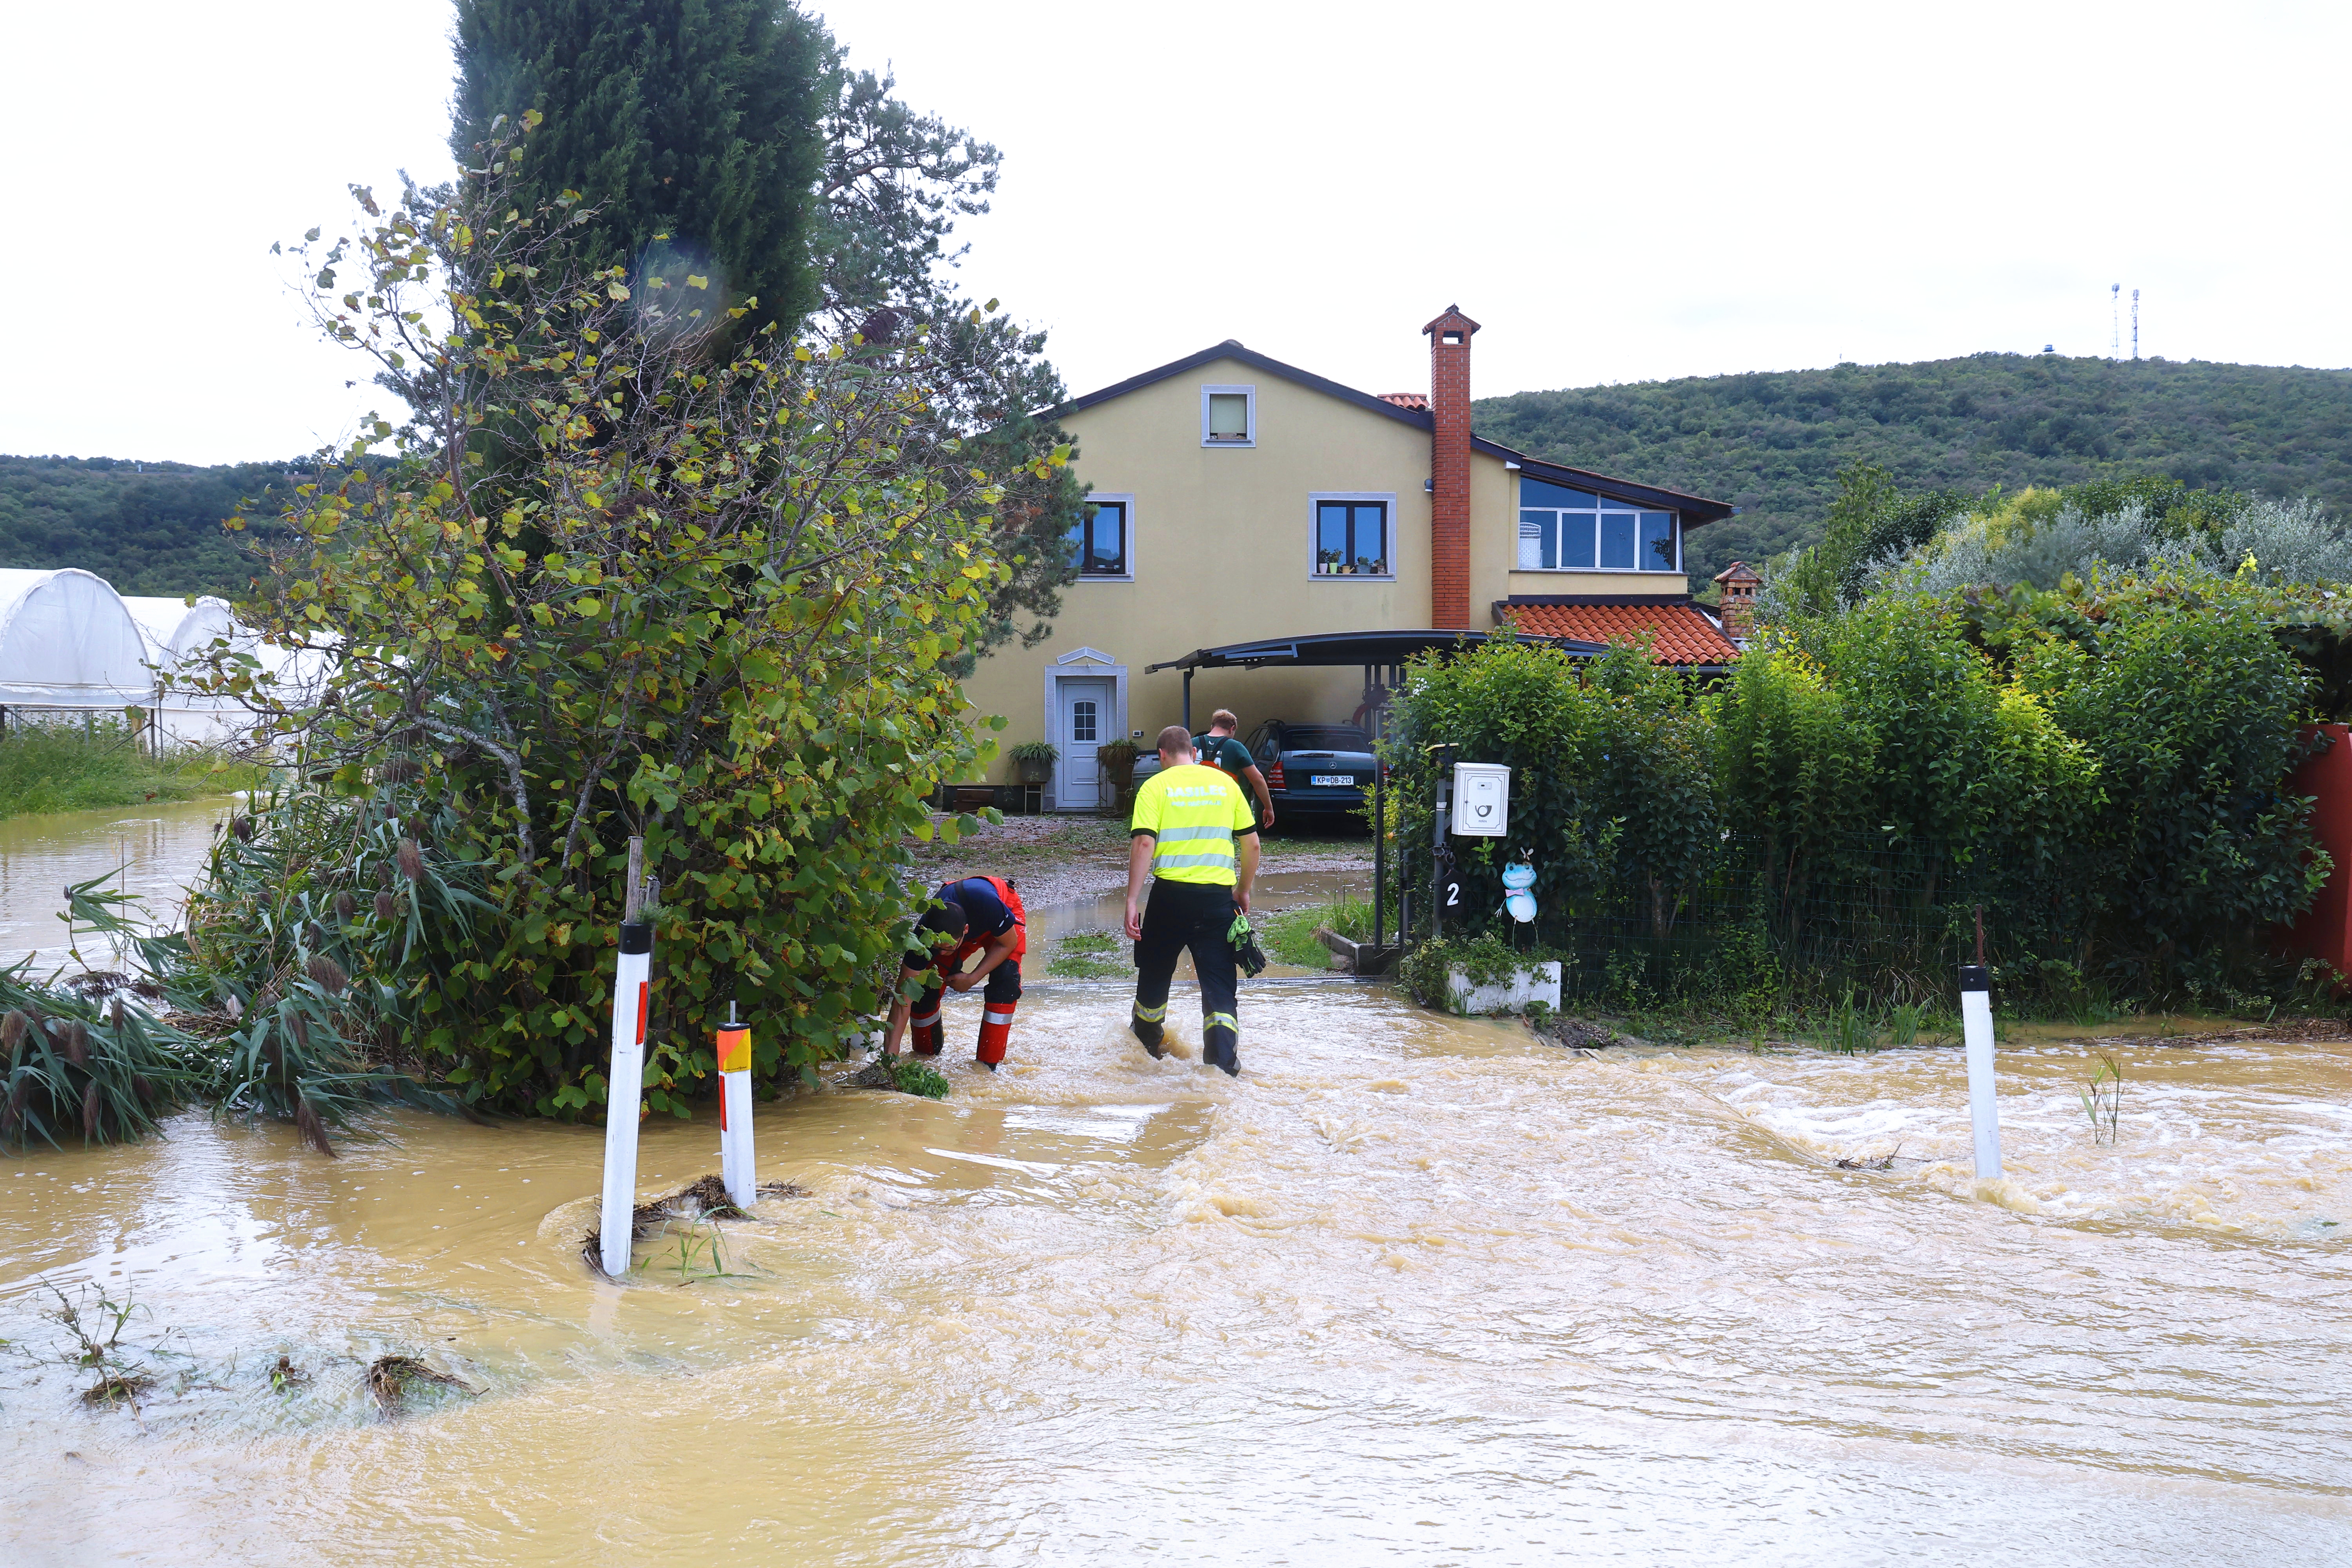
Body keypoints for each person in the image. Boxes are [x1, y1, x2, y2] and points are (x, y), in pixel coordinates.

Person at [1125, 724, 1259, 1075]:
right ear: (1195, 753)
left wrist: (1131, 900)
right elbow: (1252, 845)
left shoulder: (1155, 786)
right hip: (1217, 901)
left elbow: (1144, 844)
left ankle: (1145, 1051)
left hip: (1169, 899)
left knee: (1155, 974)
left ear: (1162, 756)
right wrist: (1243, 890)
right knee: (1218, 983)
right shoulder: (1227, 785)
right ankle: (1221, 1065)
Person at [881, 875, 1026, 1069]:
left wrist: (972, 978)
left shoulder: (990, 906)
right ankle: (925, 1056)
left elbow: (1008, 944)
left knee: (1005, 982)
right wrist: (889, 1061)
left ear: (966, 931)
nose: (941, 953)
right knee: (924, 990)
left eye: (947, 948)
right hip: (954, 923)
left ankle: (985, 1068)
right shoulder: (923, 937)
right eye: (937, 947)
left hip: (1001, 912)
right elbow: (901, 1002)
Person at [1192, 708, 1276, 833]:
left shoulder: (1191, 743)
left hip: (1193, 804)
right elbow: (1257, 779)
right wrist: (1268, 808)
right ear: (1232, 729)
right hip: (1222, 808)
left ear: (1212, 726)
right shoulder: (1236, 747)